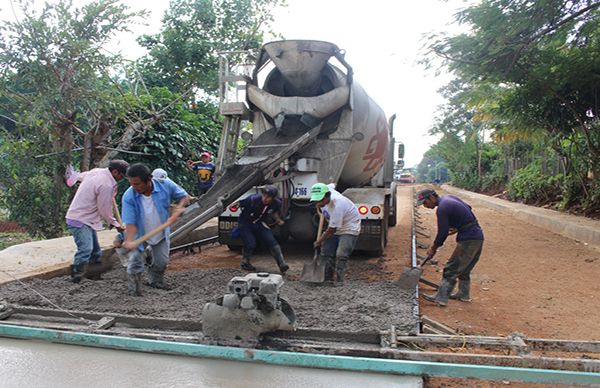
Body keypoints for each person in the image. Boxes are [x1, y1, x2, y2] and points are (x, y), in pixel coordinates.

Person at [121, 163, 189, 296]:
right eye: (132, 184)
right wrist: (129, 240)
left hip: (160, 232)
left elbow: (184, 197)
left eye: (137, 184)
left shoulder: (165, 185)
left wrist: (178, 209)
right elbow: (130, 223)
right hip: (139, 233)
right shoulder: (129, 196)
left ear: (149, 180)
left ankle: (155, 282)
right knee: (135, 262)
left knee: (161, 263)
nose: (134, 187)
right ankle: (133, 291)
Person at [416, 188, 484, 307]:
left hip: (469, 239)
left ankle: (441, 298)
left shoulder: (442, 208)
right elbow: (468, 208)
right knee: (465, 268)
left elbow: (442, 232)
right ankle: (463, 294)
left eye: (426, 203)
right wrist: (458, 226)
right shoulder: (449, 199)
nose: (426, 206)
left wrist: (433, 248)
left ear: (432, 197)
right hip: (477, 236)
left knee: (451, 268)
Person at [65, 160, 129, 283]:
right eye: (121, 175)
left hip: (86, 219)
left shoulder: (97, 172)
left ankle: (94, 275)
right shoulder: (106, 185)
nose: (122, 178)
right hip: (79, 219)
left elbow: (81, 176)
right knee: (85, 250)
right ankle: (75, 278)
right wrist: (115, 223)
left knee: (95, 251)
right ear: (115, 172)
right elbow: (104, 209)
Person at [310, 183, 361, 283]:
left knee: (341, 254)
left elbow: (332, 230)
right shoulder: (326, 189)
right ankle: (326, 278)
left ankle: (339, 280)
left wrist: (319, 241)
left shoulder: (337, 205)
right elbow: (332, 184)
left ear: (328, 196)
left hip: (349, 226)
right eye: (316, 201)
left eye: (320, 200)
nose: (318, 203)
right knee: (326, 252)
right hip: (334, 225)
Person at [236, 186, 289, 274]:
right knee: (250, 243)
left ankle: (282, 264)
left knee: (271, 241)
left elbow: (274, 212)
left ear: (273, 198)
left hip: (259, 223)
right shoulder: (252, 199)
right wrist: (235, 204)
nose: (265, 198)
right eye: (264, 195)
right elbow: (240, 203)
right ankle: (245, 262)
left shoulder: (277, 203)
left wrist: (278, 220)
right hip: (245, 223)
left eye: (268, 197)